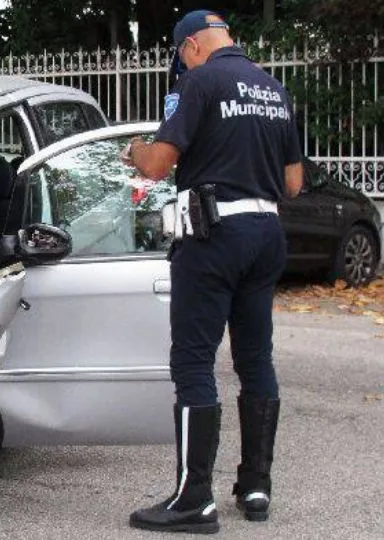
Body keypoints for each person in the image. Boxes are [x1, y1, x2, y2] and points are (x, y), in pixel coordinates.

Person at [123, 9, 303, 535]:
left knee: (194, 361)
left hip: (214, 234)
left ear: (191, 47)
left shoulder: (200, 84)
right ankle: (255, 485)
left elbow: (157, 165)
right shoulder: (274, 88)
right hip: (266, 235)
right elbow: (292, 183)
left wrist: (134, 150)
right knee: (255, 359)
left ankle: (193, 499)